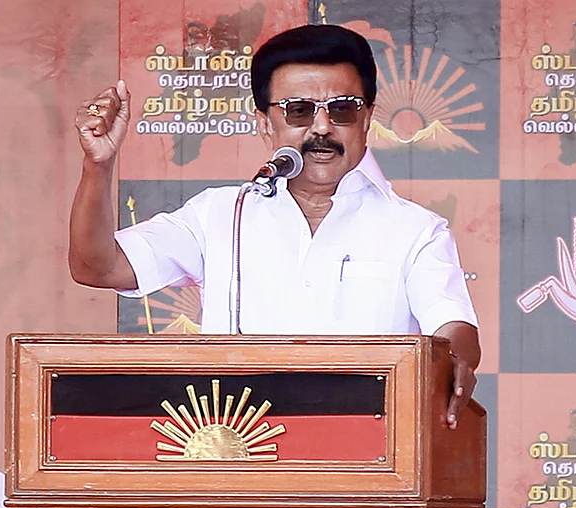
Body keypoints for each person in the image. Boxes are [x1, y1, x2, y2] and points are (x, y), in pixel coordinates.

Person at [69, 24, 480, 430]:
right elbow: (97, 267)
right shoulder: (221, 214)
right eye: (298, 110)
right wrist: (98, 164)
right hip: (237, 458)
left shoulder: (416, 229)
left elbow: (453, 327)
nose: (321, 128)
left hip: (368, 459)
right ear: (265, 123)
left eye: (342, 109)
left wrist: (453, 362)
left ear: (367, 119)